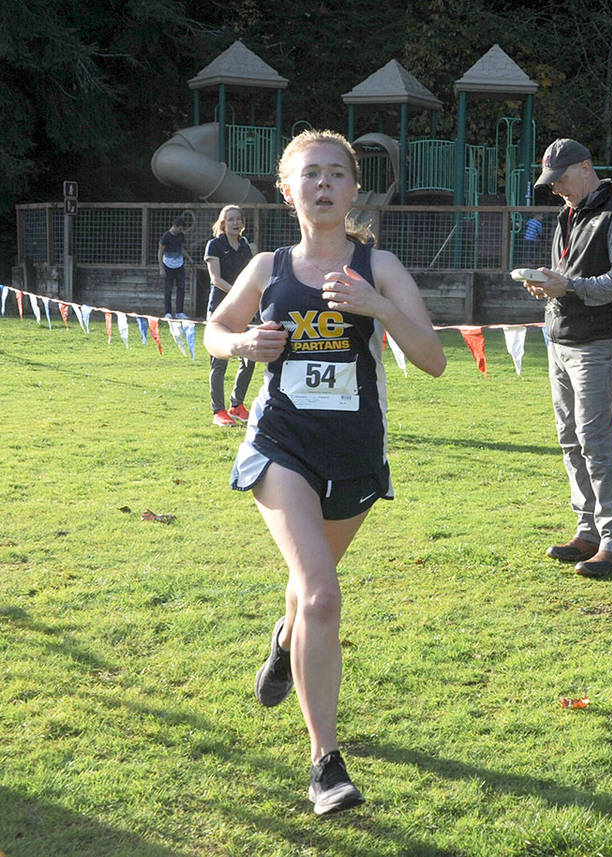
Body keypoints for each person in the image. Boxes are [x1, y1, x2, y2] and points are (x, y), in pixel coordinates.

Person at [204, 130, 446, 815]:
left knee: (308, 596)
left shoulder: (382, 265)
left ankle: (285, 640)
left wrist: (379, 307)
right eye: (310, 174)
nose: (324, 185)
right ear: (288, 190)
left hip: (354, 454)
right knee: (323, 593)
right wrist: (244, 341)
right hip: (281, 444)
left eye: (337, 174)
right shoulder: (265, 266)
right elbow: (213, 331)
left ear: (353, 190)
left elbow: (433, 358)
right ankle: (324, 764)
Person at [522, 138, 612, 579]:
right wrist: (550, 284)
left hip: (595, 342)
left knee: (594, 442)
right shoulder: (568, 214)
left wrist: (568, 287)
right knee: (571, 440)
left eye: (560, 179)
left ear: (587, 167)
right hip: (562, 338)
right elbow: (571, 275)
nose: (555, 189)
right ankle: (589, 532)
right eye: (550, 182)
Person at [204, 205, 257, 427]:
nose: (235, 223)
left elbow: (253, 275)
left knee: (249, 358)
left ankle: (237, 405)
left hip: (243, 308)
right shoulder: (214, 244)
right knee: (220, 362)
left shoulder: (245, 246)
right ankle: (219, 411)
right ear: (223, 223)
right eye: (231, 219)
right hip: (220, 308)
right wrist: (238, 292)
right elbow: (215, 279)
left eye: (239, 219)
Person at [159, 216, 191, 317]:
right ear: (175, 226)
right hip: (168, 265)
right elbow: (160, 252)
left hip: (179, 265)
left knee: (181, 288)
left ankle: (179, 312)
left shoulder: (181, 236)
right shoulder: (166, 237)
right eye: (180, 229)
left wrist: (189, 258)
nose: (181, 231)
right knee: (168, 289)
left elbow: (181, 248)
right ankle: (167, 312)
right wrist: (161, 268)